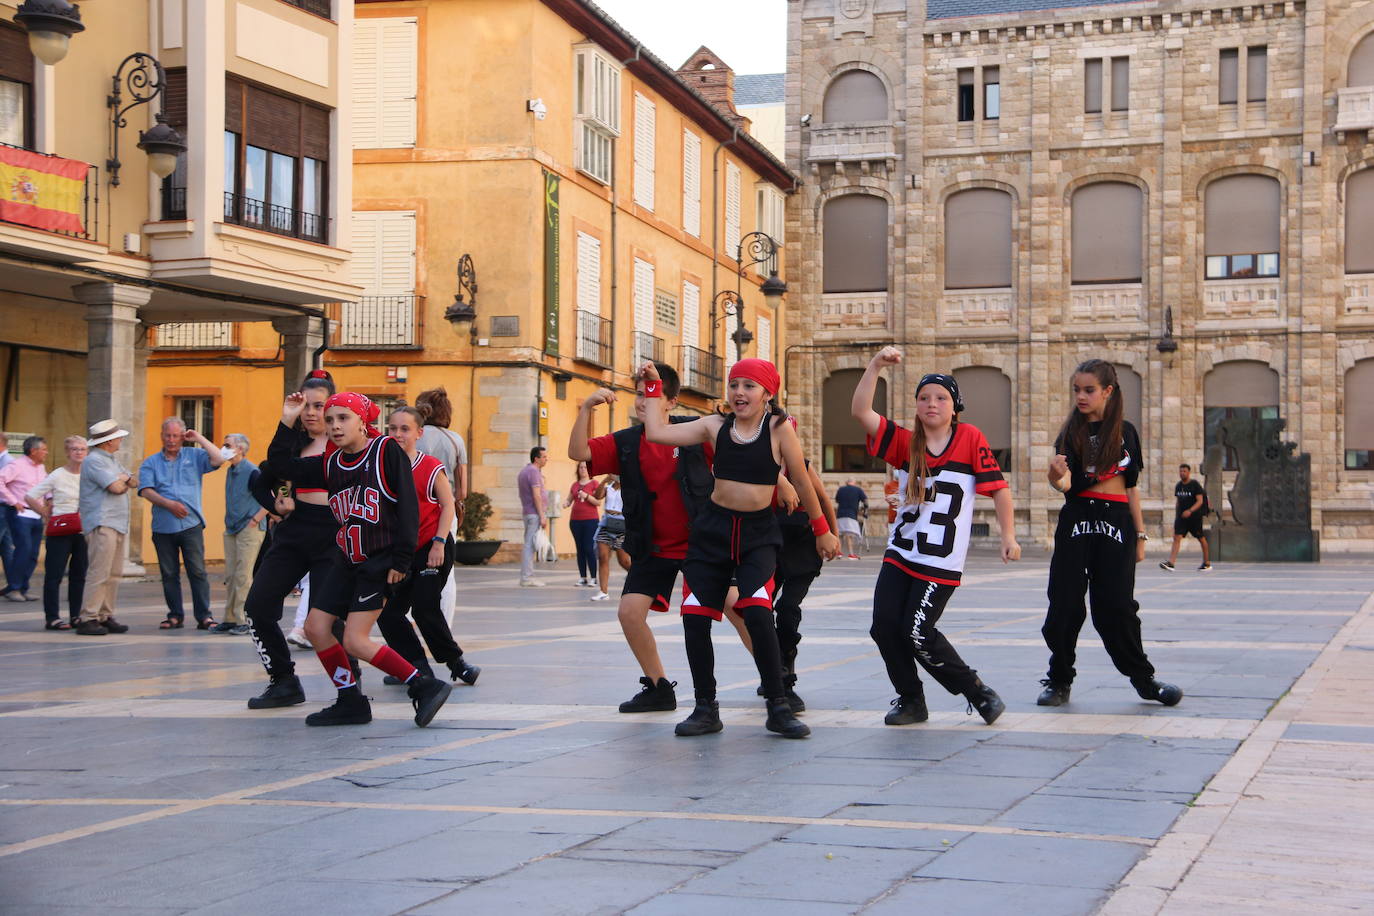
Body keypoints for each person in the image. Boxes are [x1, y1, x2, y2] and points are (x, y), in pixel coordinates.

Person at [639, 358, 839, 739]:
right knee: (695, 617)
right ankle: (705, 708)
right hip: (711, 533)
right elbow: (657, 433)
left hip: (757, 535)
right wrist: (653, 390)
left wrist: (822, 529)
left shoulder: (780, 429)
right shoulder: (715, 426)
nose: (739, 393)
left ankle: (778, 706)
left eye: (749, 386)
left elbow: (801, 478)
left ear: (767, 393)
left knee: (760, 614)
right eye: (734, 385)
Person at [570, 365, 755, 714]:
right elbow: (579, 453)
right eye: (639, 393)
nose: (642, 401)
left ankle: (775, 681)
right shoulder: (626, 442)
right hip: (652, 546)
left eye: (651, 393)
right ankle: (658, 686)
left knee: (738, 607)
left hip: (702, 543)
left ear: (670, 401)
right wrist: (585, 409)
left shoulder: (696, 433)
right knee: (629, 612)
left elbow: (741, 460)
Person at [851, 349, 1018, 727]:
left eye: (941, 397)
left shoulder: (970, 438)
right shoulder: (905, 442)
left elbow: (1000, 490)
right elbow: (861, 411)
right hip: (901, 552)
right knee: (884, 627)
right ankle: (911, 699)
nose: (932, 403)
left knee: (917, 631)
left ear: (954, 406)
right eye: (924, 397)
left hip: (939, 561)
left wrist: (1009, 535)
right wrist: (875, 365)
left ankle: (978, 692)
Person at [266, 390, 452, 727]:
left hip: (378, 561)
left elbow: (409, 507)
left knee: (355, 639)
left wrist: (401, 560)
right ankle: (350, 700)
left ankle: (423, 685)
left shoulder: (384, 452)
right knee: (315, 627)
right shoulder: (332, 461)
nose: (334, 426)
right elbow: (279, 466)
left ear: (363, 423)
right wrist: (287, 418)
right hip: (346, 557)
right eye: (330, 419)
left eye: (343, 418)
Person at [1040, 359, 1183, 708]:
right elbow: (1067, 485)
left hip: (1115, 520)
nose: (1081, 397)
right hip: (1077, 518)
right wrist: (1055, 475)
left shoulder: (1125, 433)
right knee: (1064, 602)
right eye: (1076, 390)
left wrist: (1140, 534)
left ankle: (1144, 679)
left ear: (1107, 391)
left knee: (1117, 606)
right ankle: (1059, 679)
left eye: (1089, 390)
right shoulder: (1070, 433)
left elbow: (1131, 489)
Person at [243, 370, 345, 709]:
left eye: (320, 405)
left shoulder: (346, 446)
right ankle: (283, 680)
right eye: (307, 406)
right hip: (293, 532)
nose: (313, 412)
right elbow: (261, 477)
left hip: (335, 535)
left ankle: (349, 689)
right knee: (257, 606)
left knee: (332, 619)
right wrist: (275, 505)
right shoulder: (292, 447)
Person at [376, 406, 480, 687]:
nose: (397, 434)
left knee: (424, 607)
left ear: (419, 433)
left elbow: (448, 506)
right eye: (392, 428)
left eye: (404, 429)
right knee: (388, 613)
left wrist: (438, 544)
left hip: (432, 546)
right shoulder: (380, 466)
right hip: (401, 552)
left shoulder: (430, 466)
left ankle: (457, 663)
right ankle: (414, 666)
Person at [763, 438, 838, 713]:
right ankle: (773, 668)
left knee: (787, 608)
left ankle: (786, 676)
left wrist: (831, 534)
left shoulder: (803, 467)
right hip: (770, 545)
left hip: (804, 547)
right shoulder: (758, 465)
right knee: (758, 610)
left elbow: (823, 499)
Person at [138, 417, 224, 630]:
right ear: (162, 436)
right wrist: (169, 504)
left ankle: (204, 616)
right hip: (162, 527)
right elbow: (146, 490)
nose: (171, 440)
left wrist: (198, 438)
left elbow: (219, 459)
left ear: (182, 437)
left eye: (176, 435)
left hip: (191, 525)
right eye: (167, 435)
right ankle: (175, 615)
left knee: (197, 571)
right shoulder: (151, 462)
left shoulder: (194, 456)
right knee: (169, 574)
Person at [75, 420, 136, 636]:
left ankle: (104, 614)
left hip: (116, 522)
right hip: (102, 522)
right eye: (118, 437)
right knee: (99, 572)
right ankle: (88, 616)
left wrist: (124, 478)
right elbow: (117, 487)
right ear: (108, 441)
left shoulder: (112, 461)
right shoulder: (94, 461)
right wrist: (124, 480)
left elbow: (132, 481)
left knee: (114, 572)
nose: (121, 440)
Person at [414, 387, 468, 625]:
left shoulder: (412, 435)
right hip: (445, 511)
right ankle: (444, 622)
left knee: (408, 560)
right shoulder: (455, 439)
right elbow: (462, 491)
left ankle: (405, 616)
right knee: (447, 569)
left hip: (414, 507)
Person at [26, 436, 87, 629]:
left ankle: (76, 615)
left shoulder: (89, 474)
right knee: (54, 575)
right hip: (60, 529)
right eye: (75, 449)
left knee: (79, 575)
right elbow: (30, 496)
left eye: (83, 449)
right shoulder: (57, 475)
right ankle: (52, 617)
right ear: (67, 452)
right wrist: (44, 512)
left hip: (83, 530)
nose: (79, 452)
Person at [217, 433, 267, 634]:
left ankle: (243, 620)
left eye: (227, 445)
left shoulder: (252, 471)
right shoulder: (231, 470)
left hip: (249, 527)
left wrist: (255, 519)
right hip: (232, 527)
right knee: (230, 574)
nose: (224, 448)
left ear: (240, 449)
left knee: (243, 575)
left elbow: (269, 496)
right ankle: (229, 617)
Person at [0, 435, 49, 603]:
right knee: (23, 550)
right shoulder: (17, 465)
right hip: (20, 513)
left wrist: (49, 500)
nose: (46, 453)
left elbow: (46, 485)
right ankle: (14, 587)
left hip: (36, 513)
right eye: (43, 449)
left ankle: (22, 587)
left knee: (33, 553)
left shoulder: (40, 468)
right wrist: (13, 501)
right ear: (33, 451)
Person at [1161, 463, 1212, 572]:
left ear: (1189, 472)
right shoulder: (1179, 485)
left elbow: (1200, 501)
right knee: (1177, 538)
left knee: (1201, 538)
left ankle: (1207, 562)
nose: (1182, 473)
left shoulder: (1195, 485)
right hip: (1181, 518)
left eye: (1184, 471)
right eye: (1180, 471)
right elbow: (1178, 502)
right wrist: (1177, 516)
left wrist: (1190, 511)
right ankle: (1171, 563)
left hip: (1194, 518)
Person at [589, 474, 630, 601]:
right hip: (606, 523)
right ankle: (603, 591)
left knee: (624, 560)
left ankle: (640, 577)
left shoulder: (629, 487)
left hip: (621, 524)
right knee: (603, 556)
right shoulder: (608, 487)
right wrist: (605, 480)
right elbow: (597, 496)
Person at [565, 460, 602, 586]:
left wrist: (586, 496)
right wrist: (565, 503)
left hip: (590, 520)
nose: (583, 470)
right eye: (580, 467)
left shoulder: (594, 483)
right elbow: (569, 499)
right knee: (580, 549)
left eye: (585, 467)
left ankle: (593, 577)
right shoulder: (575, 485)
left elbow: (598, 502)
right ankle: (582, 577)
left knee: (588, 547)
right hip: (575, 521)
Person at [517, 446, 548, 587]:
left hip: (528, 512)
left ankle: (527, 576)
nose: (546, 459)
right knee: (529, 546)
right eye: (544, 457)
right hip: (534, 513)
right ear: (536, 458)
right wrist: (542, 515)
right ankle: (526, 577)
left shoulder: (524, 471)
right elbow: (536, 495)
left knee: (529, 544)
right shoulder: (534, 472)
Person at [834, 478, 868, 560]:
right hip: (851, 515)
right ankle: (851, 554)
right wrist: (865, 511)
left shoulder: (841, 489)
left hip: (840, 514)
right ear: (854, 482)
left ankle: (839, 552)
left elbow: (837, 500)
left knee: (840, 534)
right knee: (849, 535)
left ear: (847, 482)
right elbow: (865, 501)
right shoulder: (858, 490)